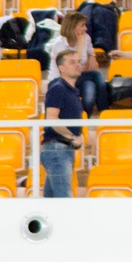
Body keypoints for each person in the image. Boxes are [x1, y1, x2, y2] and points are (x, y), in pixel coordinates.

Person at [42, 50, 85, 198]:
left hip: (62, 149)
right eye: (72, 62)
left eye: (78, 61)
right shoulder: (58, 88)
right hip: (57, 148)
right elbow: (51, 118)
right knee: (63, 198)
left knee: (51, 199)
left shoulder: (71, 91)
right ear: (61, 68)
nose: (78, 65)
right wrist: (73, 137)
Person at [44, 11, 103, 115]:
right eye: (82, 25)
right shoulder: (59, 44)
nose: (86, 28)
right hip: (60, 80)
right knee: (96, 75)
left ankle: (84, 120)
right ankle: (104, 110)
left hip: (76, 78)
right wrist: (80, 44)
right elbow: (76, 66)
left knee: (90, 89)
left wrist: (92, 56)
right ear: (72, 27)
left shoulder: (86, 38)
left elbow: (90, 50)